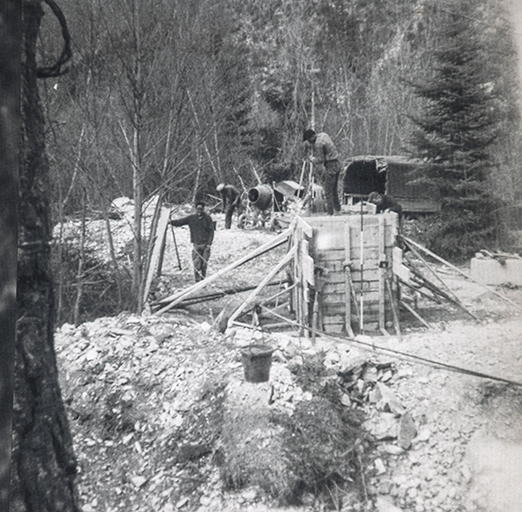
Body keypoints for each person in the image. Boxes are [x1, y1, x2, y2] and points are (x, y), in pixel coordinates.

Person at [170, 201, 215, 282]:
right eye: (198, 209)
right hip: (196, 244)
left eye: (201, 209)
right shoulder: (191, 218)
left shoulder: (208, 218)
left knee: (204, 264)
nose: (199, 211)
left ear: (203, 209)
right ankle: (197, 281)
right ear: (195, 209)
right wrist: (171, 222)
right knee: (197, 264)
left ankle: (203, 279)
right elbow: (180, 222)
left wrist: (209, 244)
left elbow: (211, 231)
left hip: (205, 245)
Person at [303, 128, 341, 215]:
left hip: (331, 166)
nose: (309, 142)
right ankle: (337, 210)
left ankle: (330, 213)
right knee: (334, 189)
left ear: (312, 137)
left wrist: (312, 159)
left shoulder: (318, 144)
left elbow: (320, 159)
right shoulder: (323, 135)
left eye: (309, 140)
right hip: (337, 164)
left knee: (328, 191)